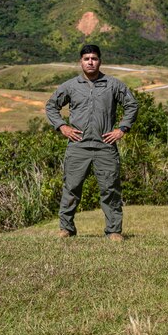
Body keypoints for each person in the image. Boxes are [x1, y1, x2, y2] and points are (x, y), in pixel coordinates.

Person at [45, 44, 138, 241]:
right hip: (78, 145)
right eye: (86, 58)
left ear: (99, 61)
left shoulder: (113, 85)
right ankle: (66, 229)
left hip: (105, 145)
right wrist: (62, 126)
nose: (90, 62)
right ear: (81, 62)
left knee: (110, 188)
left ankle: (113, 231)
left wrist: (122, 129)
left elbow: (131, 105)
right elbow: (51, 106)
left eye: (94, 58)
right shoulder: (71, 86)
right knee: (71, 188)